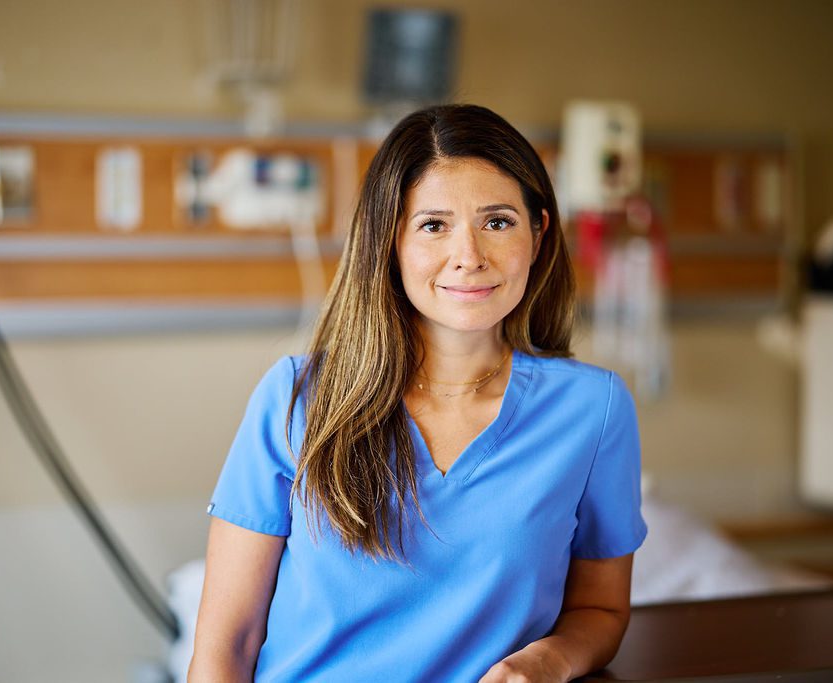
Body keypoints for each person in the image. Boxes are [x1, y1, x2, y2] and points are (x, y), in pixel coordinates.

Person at [189, 104, 648, 682]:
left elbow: (601, 608)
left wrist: (547, 661)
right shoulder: (296, 398)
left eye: (498, 221)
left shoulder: (592, 411)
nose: (470, 256)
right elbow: (226, 646)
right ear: (390, 242)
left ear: (539, 233)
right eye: (434, 225)